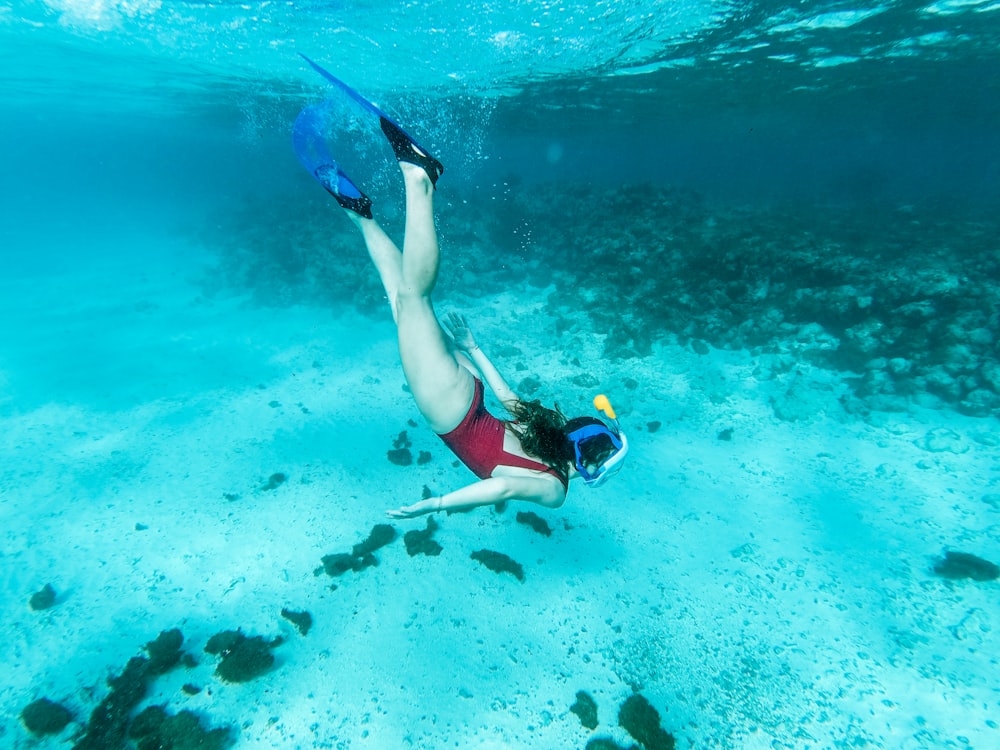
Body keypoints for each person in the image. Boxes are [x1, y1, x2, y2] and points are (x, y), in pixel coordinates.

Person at [293, 72, 628, 519]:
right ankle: (420, 179)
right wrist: (435, 504)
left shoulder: (548, 435)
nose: (601, 473)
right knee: (412, 299)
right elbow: (501, 488)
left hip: (466, 392)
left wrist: (472, 348)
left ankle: (361, 215)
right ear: (585, 458)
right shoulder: (555, 490)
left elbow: (508, 398)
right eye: (603, 464)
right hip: (451, 409)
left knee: (402, 303)